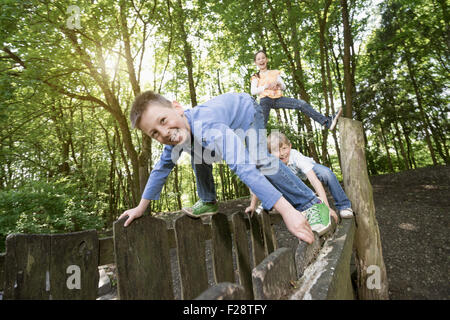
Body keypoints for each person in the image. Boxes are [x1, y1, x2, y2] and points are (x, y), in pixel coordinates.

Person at [118, 90, 332, 244]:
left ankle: (311, 203)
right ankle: (208, 200)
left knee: (259, 159)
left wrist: (287, 211)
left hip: (246, 112)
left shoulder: (208, 127)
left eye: (163, 120)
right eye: (154, 133)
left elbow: (243, 167)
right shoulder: (178, 138)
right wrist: (141, 207)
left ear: (177, 108)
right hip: (217, 129)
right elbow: (160, 170)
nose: (163, 133)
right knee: (195, 151)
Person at [246, 132, 354, 229]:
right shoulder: (272, 165)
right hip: (293, 181)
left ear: (290, 146)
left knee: (326, 174)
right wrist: (253, 205)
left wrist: (327, 208)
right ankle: (265, 205)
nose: (282, 153)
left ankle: (344, 205)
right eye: (277, 151)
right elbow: (260, 183)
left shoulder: (295, 156)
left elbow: (314, 180)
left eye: (284, 148)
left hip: (309, 170)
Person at [251, 50, 342, 129]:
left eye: (263, 58)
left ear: (266, 60)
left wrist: (278, 85)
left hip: (278, 99)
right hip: (265, 100)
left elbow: (284, 87)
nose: (261, 60)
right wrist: (265, 86)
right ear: (255, 62)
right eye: (258, 59)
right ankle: (255, 144)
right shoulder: (256, 76)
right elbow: (253, 91)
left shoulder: (275, 73)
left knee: (301, 104)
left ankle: (327, 122)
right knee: (261, 124)